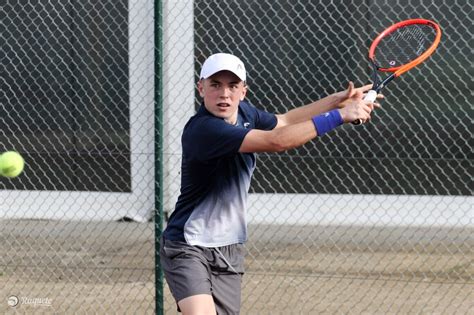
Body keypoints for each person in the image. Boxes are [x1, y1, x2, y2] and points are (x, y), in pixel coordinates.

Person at [160, 53, 380, 315]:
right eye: (215, 85)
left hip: (229, 247)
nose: (224, 94)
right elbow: (277, 141)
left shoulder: (245, 113)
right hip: (188, 244)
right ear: (201, 88)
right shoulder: (204, 130)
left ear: (244, 91)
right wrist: (339, 116)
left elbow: (285, 120)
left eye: (233, 86)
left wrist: (338, 101)